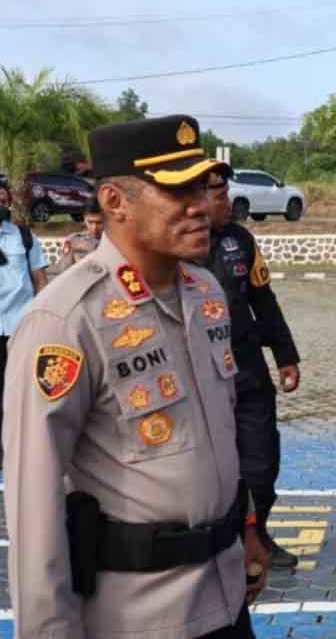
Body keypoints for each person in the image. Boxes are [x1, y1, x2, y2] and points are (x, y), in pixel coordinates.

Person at [2, 115, 269, 639]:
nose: (200, 204)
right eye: (176, 189)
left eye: (202, 185)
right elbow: (34, 506)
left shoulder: (206, 293)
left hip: (226, 595)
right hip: (141, 615)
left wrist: (249, 525)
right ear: (115, 201)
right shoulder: (65, 320)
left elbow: (220, 427)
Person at [206, 169, 303, 569]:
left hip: (248, 368)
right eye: (217, 195)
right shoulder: (175, 246)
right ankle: (219, 545)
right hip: (203, 375)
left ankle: (257, 532)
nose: (226, 201)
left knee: (262, 464)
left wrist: (285, 355)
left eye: (226, 192)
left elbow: (263, 299)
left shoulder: (240, 240)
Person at [0, 182, 49, 437]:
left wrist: (39, 319)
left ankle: (22, 446)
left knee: (23, 393)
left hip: (21, 329)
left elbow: (41, 280)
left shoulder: (23, 236)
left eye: (2, 200)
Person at [55, 196, 104, 272]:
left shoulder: (115, 242)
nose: (94, 227)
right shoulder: (73, 241)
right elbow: (65, 272)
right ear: (84, 219)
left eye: (99, 222)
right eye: (90, 222)